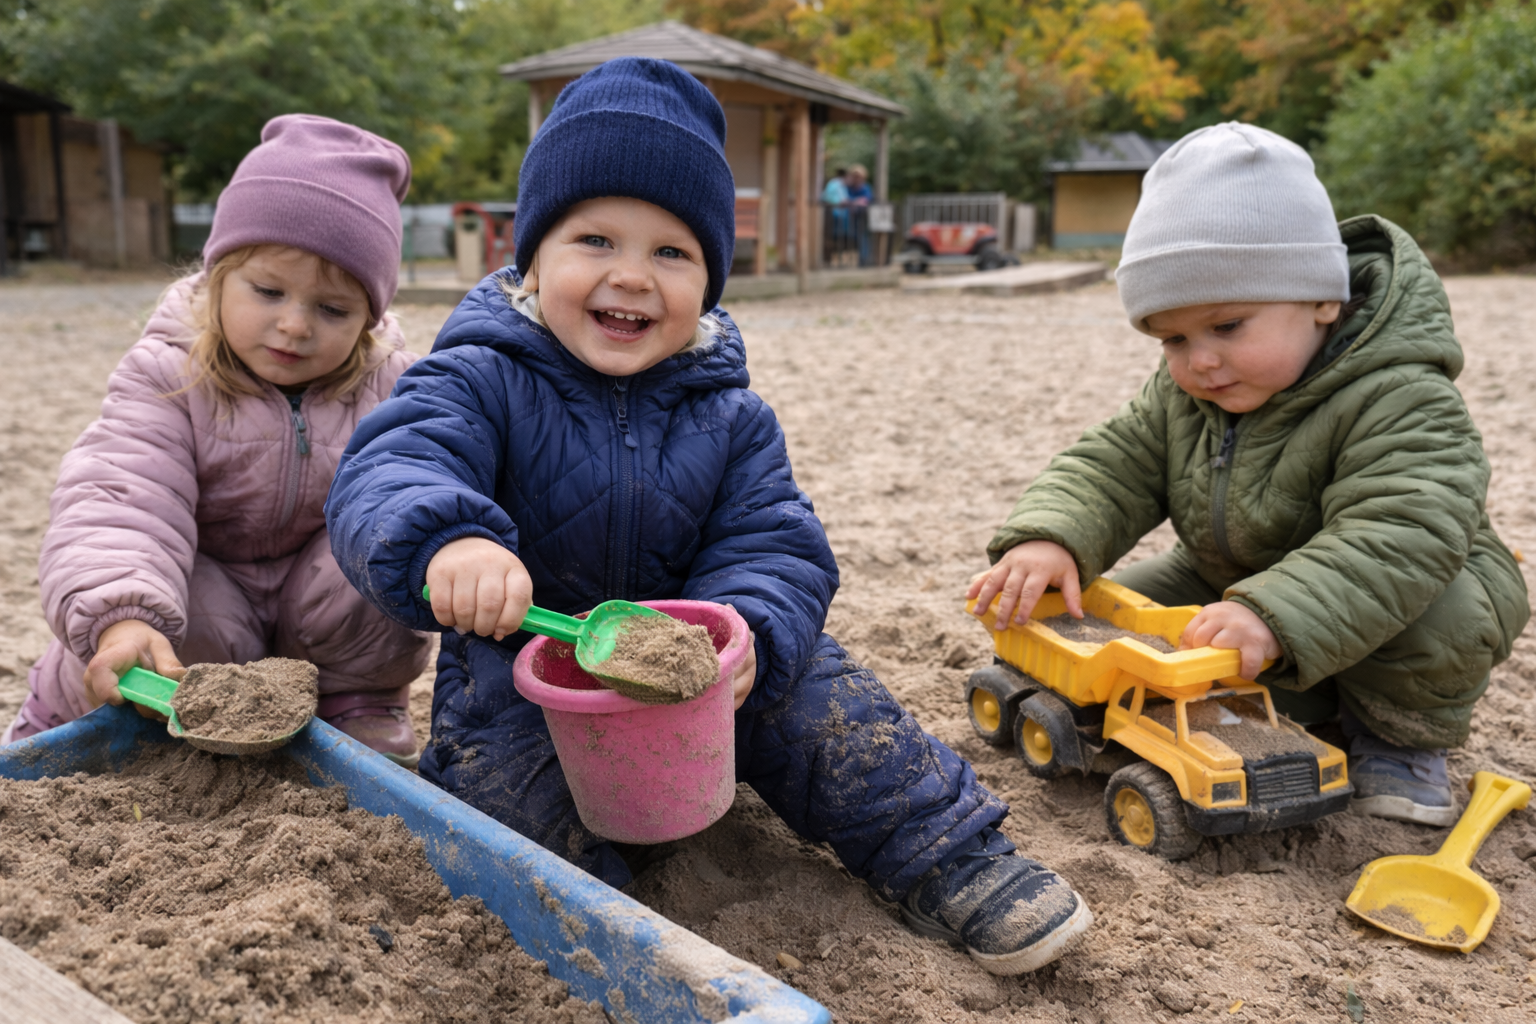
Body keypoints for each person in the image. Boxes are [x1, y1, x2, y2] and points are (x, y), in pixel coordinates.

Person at [326, 58, 1093, 975]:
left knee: (830, 707)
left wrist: (751, 636)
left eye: (672, 252)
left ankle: (953, 857)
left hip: (702, 675)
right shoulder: (478, 375)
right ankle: (609, 930)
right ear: (531, 259)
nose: (633, 277)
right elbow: (392, 464)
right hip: (522, 671)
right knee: (506, 815)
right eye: (595, 241)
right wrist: (449, 540)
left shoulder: (730, 413)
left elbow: (774, 538)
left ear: (711, 283)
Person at [969, 123, 1529, 828]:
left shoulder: (1401, 393)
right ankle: (1294, 696)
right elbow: (1116, 461)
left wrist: (1273, 614)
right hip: (1231, 574)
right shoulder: (1189, 391)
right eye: (1174, 338)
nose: (1199, 360)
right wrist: (1053, 536)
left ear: (1321, 299)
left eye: (1228, 325)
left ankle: (1396, 739)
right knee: (1109, 620)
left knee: (1443, 622)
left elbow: (1403, 530)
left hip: (1403, 586)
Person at [4, 115, 433, 765]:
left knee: (389, 538)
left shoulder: (387, 387)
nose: (293, 324)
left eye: (333, 309)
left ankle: (360, 699)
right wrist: (124, 613)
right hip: (201, 600)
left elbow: (419, 482)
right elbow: (122, 494)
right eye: (267, 291)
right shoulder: (170, 373)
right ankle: (65, 711)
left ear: (370, 320)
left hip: (317, 615)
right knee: (149, 624)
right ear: (218, 278)